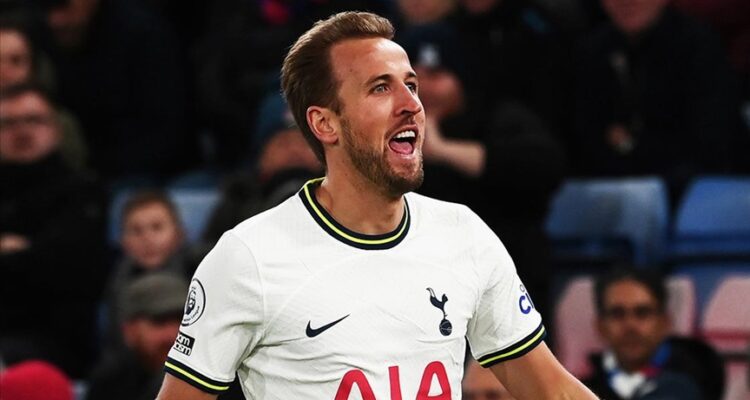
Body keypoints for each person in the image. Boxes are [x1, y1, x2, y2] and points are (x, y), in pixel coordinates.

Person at [156, 11, 597, 399]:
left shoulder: (464, 235)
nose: (412, 105)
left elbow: (554, 390)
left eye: (411, 85)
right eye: (381, 88)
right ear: (325, 123)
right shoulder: (249, 257)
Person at [571, 0, 740, 201]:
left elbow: (710, 147)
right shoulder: (590, 51)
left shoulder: (698, 47)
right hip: (605, 199)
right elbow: (585, 142)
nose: (627, 2)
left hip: (692, 197)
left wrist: (627, 145)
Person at [0, 82, 107, 378]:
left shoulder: (83, 191)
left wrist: (22, 258)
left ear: (57, 128)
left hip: (56, 342)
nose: (22, 131)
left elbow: (65, 267)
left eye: (33, 120)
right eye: (8, 123)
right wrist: (27, 252)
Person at [584, 267, 725, 400]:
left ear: (665, 322)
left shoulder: (691, 382)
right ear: (600, 326)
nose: (630, 326)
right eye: (617, 314)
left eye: (642, 313)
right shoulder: (582, 389)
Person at [86, 274, 188, 400]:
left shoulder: (207, 379)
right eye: (159, 321)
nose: (173, 334)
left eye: (182, 320)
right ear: (129, 330)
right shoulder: (109, 383)